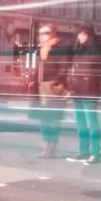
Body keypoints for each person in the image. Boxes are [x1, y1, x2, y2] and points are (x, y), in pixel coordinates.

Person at [66, 26, 101, 165]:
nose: (79, 37)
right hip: (77, 89)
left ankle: (95, 153)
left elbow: (91, 68)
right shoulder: (80, 49)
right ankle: (83, 151)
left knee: (91, 122)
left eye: (80, 35)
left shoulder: (95, 49)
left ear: (86, 34)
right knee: (80, 122)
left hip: (89, 89)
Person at [33, 24, 70, 159]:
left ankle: (51, 148)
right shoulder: (42, 50)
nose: (41, 36)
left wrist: (56, 82)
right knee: (44, 120)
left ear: (52, 34)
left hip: (53, 88)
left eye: (45, 33)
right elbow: (39, 70)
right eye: (40, 33)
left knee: (53, 120)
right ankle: (46, 146)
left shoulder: (58, 48)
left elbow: (64, 66)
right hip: (42, 88)